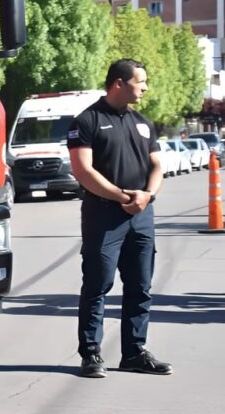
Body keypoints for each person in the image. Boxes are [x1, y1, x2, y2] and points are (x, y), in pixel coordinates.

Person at [67, 58, 172, 378]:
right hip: (104, 215)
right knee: (98, 284)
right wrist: (121, 196)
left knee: (140, 286)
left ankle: (135, 352)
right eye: (140, 82)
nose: (145, 87)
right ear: (119, 83)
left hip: (141, 215)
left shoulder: (143, 122)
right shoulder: (86, 121)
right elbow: (83, 170)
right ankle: (91, 353)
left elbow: (157, 165)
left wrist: (147, 196)